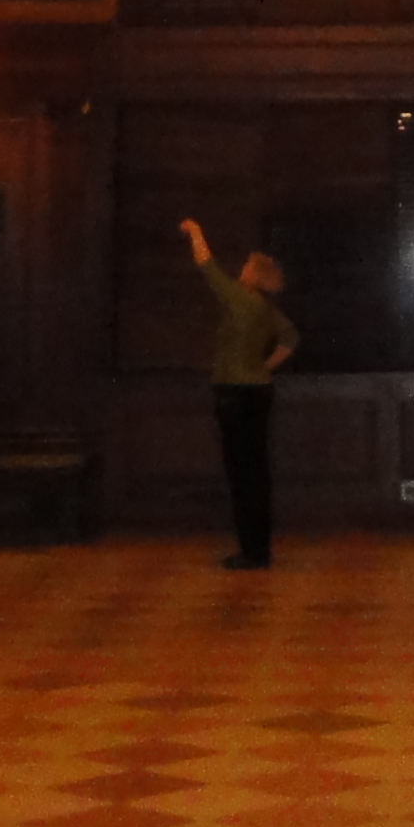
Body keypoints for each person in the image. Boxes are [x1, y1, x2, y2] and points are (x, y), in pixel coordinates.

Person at [180, 217, 296, 569]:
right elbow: (291, 338)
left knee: (240, 473)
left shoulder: (238, 299)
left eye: (246, 264)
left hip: (234, 392)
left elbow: (207, 266)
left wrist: (195, 231)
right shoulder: (265, 309)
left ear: (253, 273)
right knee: (257, 471)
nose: (241, 268)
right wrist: (264, 366)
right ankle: (260, 549)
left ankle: (250, 551)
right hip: (259, 391)